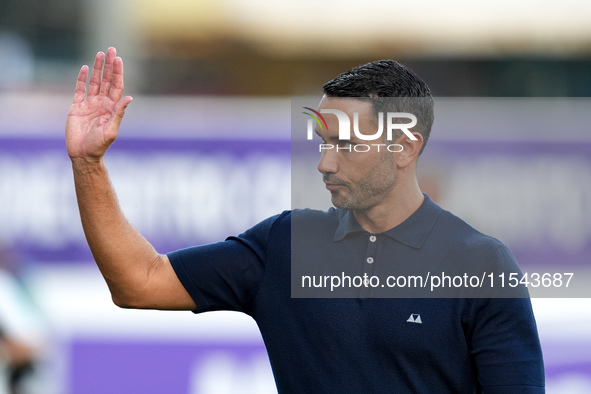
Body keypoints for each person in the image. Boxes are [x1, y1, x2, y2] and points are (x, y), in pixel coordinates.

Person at [65, 47, 545, 393]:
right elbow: (138, 282)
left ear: (404, 147)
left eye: (346, 144)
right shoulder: (287, 244)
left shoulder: (481, 264)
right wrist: (88, 164)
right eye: (323, 142)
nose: (325, 163)